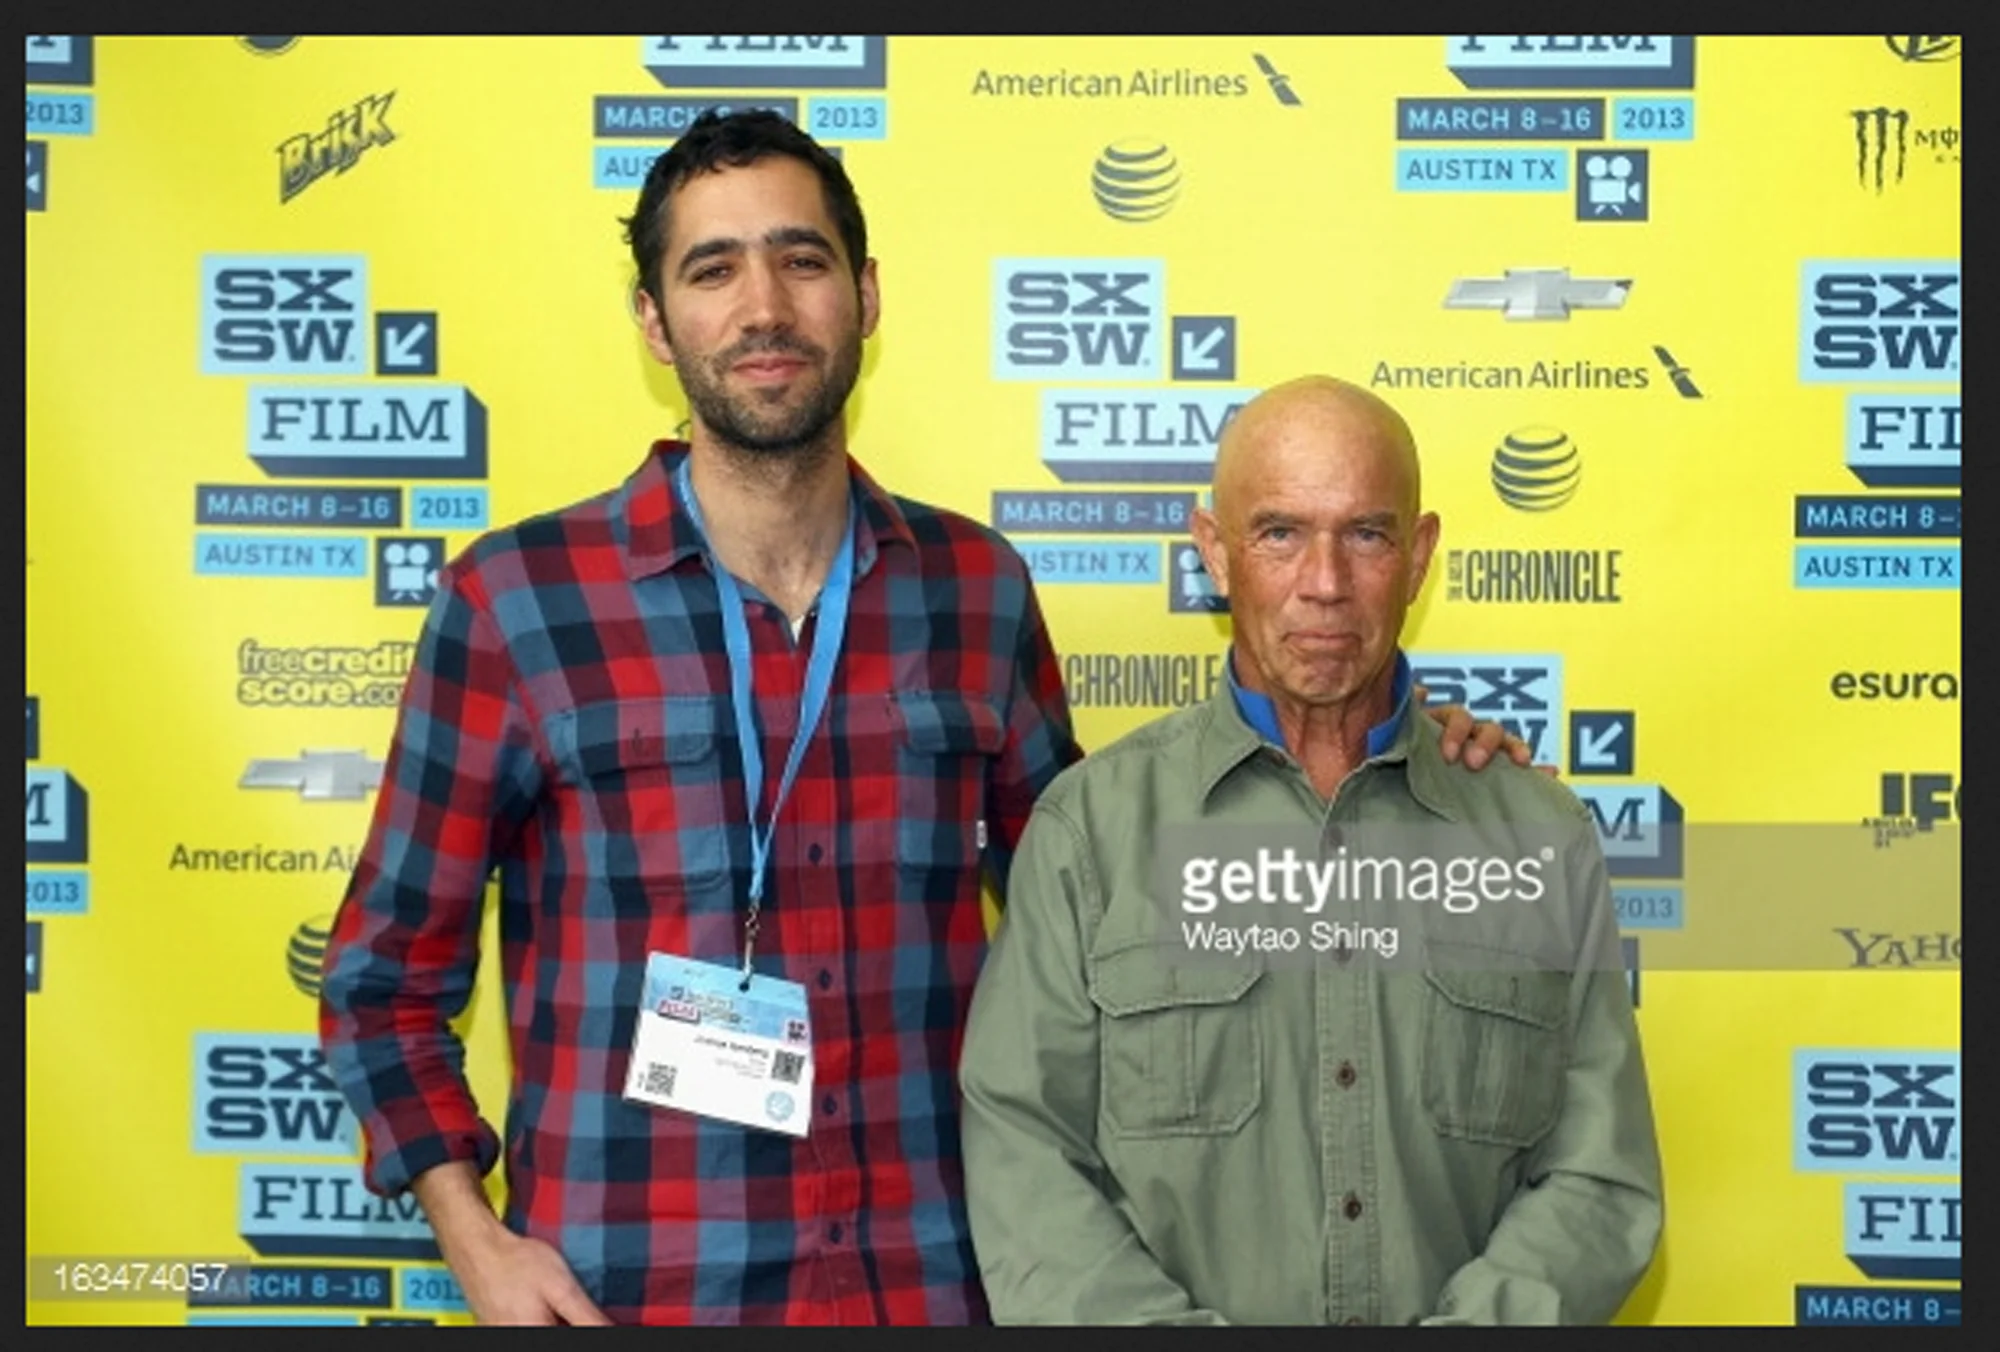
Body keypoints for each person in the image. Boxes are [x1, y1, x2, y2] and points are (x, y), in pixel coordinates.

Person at [317, 113, 1532, 1328]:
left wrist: (1399, 753)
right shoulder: (518, 603)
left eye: (801, 260)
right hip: (632, 1290)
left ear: (865, 294)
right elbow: (381, 979)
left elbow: (1110, 912)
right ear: (652, 319)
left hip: (936, 1283)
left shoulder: (974, 590)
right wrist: (473, 1237)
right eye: (711, 268)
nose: (763, 307)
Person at [958, 376, 1664, 1326]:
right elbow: (1026, 1160)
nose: (1324, 583)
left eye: (1367, 534)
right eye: (1280, 532)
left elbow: (1600, 1177)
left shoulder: (1534, 835)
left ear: (1418, 558)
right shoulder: (1093, 834)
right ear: (1215, 551)